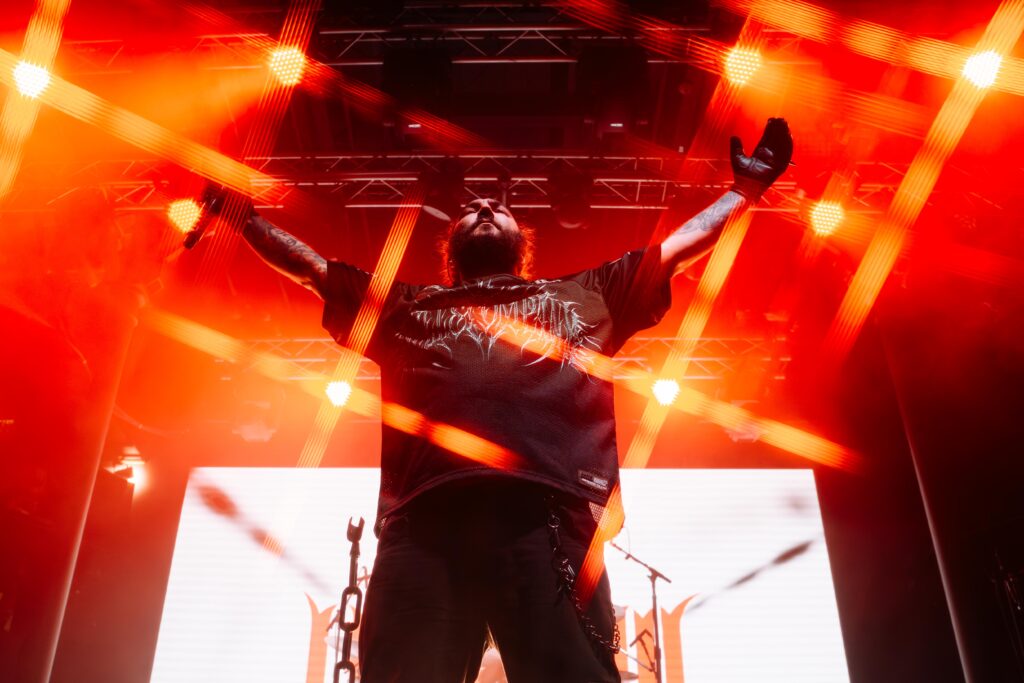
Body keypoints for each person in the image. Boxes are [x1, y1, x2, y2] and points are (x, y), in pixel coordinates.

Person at [201, 118, 792, 682]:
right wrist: (242, 218)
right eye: (472, 209)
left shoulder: (588, 294)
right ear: (450, 245)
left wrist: (745, 191)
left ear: (522, 243)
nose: (485, 208)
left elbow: (678, 250)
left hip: (546, 514)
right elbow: (312, 270)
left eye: (499, 208)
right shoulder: (406, 306)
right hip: (425, 523)